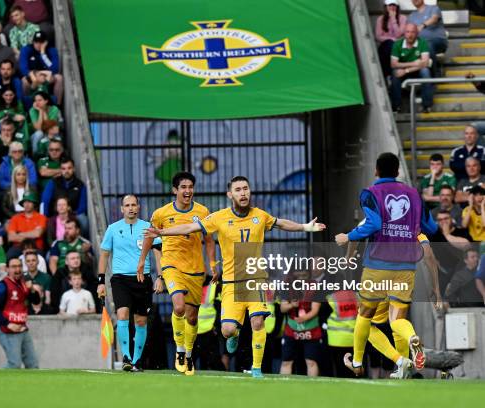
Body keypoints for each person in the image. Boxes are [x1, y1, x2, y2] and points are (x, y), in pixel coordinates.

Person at [146, 176, 326, 378]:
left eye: (246, 189)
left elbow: (280, 223)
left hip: (255, 280)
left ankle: (256, 368)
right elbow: (189, 227)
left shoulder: (260, 215)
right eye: (238, 190)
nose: (243, 193)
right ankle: (234, 333)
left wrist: (305, 227)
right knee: (228, 330)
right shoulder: (219, 217)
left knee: (258, 322)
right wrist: (162, 231)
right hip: (231, 283)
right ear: (230, 194)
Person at [335, 152, 437, 377]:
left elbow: (373, 223)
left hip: (378, 266)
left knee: (365, 315)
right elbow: (431, 227)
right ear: (398, 171)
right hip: (406, 268)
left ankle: (358, 362)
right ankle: (411, 343)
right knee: (397, 319)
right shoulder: (413, 195)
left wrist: (348, 237)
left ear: (376, 171)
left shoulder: (370, 194)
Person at [137, 172, 215, 376]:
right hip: (171, 266)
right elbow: (150, 237)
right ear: (175, 190)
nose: (187, 191)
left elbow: (208, 240)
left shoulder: (202, 211)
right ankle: (179, 350)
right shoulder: (161, 214)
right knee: (178, 307)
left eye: (190, 187)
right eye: (183, 187)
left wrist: (213, 263)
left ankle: (188, 353)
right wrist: (142, 261)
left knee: (192, 317)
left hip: (196, 269)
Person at [98, 194, 162, 372]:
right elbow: (104, 255)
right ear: (122, 209)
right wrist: (100, 281)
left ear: (139, 207)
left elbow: (158, 253)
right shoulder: (113, 229)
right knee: (123, 314)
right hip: (120, 279)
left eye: (134, 205)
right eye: (127, 205)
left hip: (143, 279)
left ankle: (137, 360)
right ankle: (126, 357)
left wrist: (160, 277)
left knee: (141, 321)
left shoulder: (148, 228)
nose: (131, 208)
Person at [0, 257, 39, 369]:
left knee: (33, 364)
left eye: (19, 266)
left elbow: (36, 301)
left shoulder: (24, 284)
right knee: (14, 363)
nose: (18, 269)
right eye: (14, 267)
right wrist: (8, 324)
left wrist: (32, 290)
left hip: (22, 328)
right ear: (7, 269)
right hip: (7, 330)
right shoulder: (3, 285)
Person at [280, 269, 323, 377]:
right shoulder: (287, 286)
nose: (301, 277)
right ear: (292, 274)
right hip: (291, 330)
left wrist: (303, 318)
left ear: (308, 275)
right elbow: (282, 308)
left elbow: (315, 309)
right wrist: (292, 305)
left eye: (304, 274)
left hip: (311, 331)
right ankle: (282, 388)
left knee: (311, 362)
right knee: (286, 361)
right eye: (298, 274)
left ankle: (312, 389)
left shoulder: (315, 286)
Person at [390, 23, 432, 113]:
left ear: (417, 33)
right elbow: (393, 64)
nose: (410, 35)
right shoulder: (397, 44)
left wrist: (406, 70)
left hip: (416, 71)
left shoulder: (423, 42)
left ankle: (427, 105)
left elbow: (425, 63)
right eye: (408, 32)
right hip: (408, 69)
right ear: (404, 33)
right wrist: (413, 63)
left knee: (426, 71)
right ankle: (396, 107)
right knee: (395, 73)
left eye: (413, 32)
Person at [41, 158, 88, 234]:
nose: (66, 171)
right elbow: (45, 200)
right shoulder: (53, 182)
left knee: (83, 219)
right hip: (55, 214)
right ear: (60, 170)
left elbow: (83, 206)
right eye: (63, 168)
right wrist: (45, 215)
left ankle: (81, 242)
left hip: (74, 214)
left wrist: (72, 215)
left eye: (69, 168)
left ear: (74, 169)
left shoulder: (80, 185)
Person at [19, 32, 62, 105]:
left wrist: (43, 54)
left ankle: (57, 107)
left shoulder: (52, 50)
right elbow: (23, 69)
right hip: (32, 77)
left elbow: (55, 69)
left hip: (47, 77)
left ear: (45, 42)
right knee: (24, 81)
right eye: (36, 42)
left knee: (59, 78)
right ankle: (25, 108)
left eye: (41, 42)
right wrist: (35, 76)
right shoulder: (26, 49)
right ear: (33, 42)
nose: (38, 44)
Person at [407, 0, 448, 70]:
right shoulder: (411, 16)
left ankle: (435, 73)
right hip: (421, 45)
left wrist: (423, 25)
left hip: (438, 41)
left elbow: (434, 18)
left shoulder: (433, 8)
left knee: (426, 45)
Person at [6, 191, 46, 258]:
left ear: (34, 203)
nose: (27, 204)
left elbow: (37, 234)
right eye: (25, 202)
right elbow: (11, 237)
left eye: (29, 202)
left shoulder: (41, 217)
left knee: (40, 257)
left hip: (35, 247)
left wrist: (19, 234)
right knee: (10, 256)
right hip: (18, 247)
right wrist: (31, 235)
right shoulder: (15, 218)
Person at [376, 0, 406, 79]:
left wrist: (393, 19)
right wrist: (392, 39)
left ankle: (390, 75)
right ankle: (387, 75)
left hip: (398, 46)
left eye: (394, 5)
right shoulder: (380, 19)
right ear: (386, 7)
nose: (392, 7)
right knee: (389, 44)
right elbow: (378, 36)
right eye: (390, 5)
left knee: (393, 46)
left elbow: (399, 34)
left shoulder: (403, 18)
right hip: (385, 46)